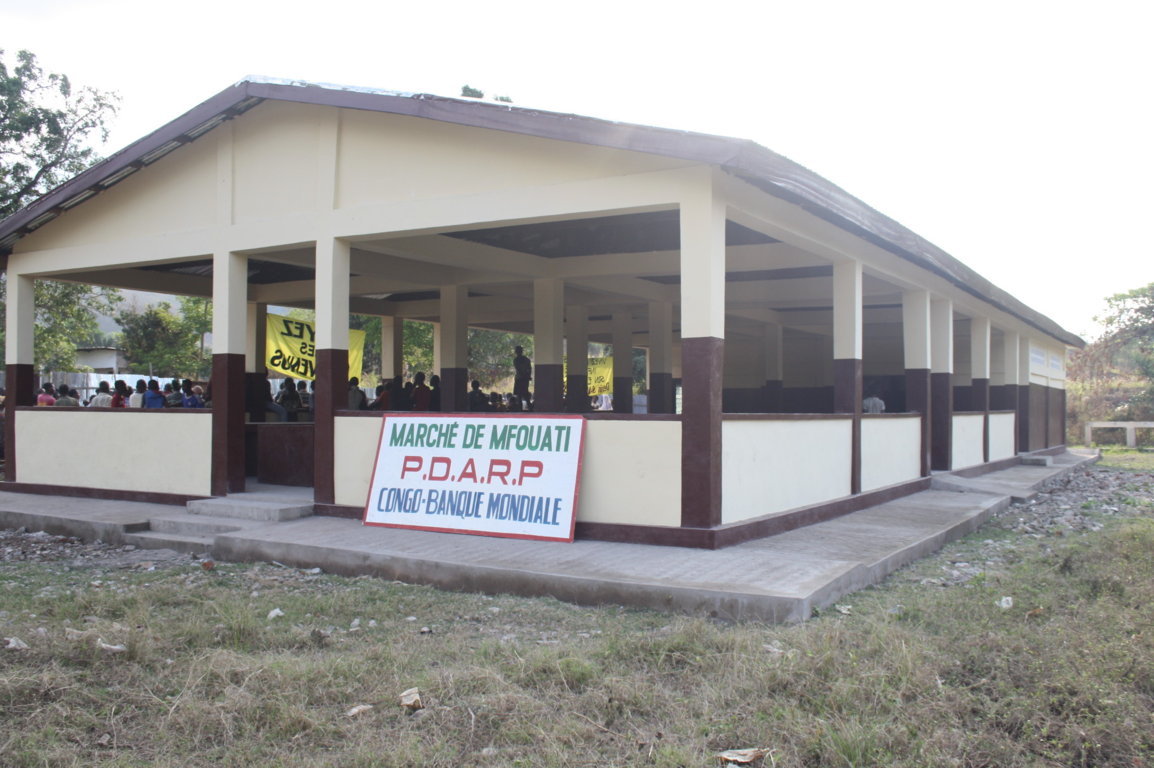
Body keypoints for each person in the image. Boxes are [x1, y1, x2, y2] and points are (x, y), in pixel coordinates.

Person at [512, 345, 532, 410]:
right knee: (525, 394)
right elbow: (529, 369)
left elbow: (518, 369)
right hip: (525, 379)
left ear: (516, 352)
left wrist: (523, 375)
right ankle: (530, 408)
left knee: (519, 395)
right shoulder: (526, 359)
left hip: (519, 379)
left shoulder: (516, 360)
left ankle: (520, 409)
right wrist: (527, 376)